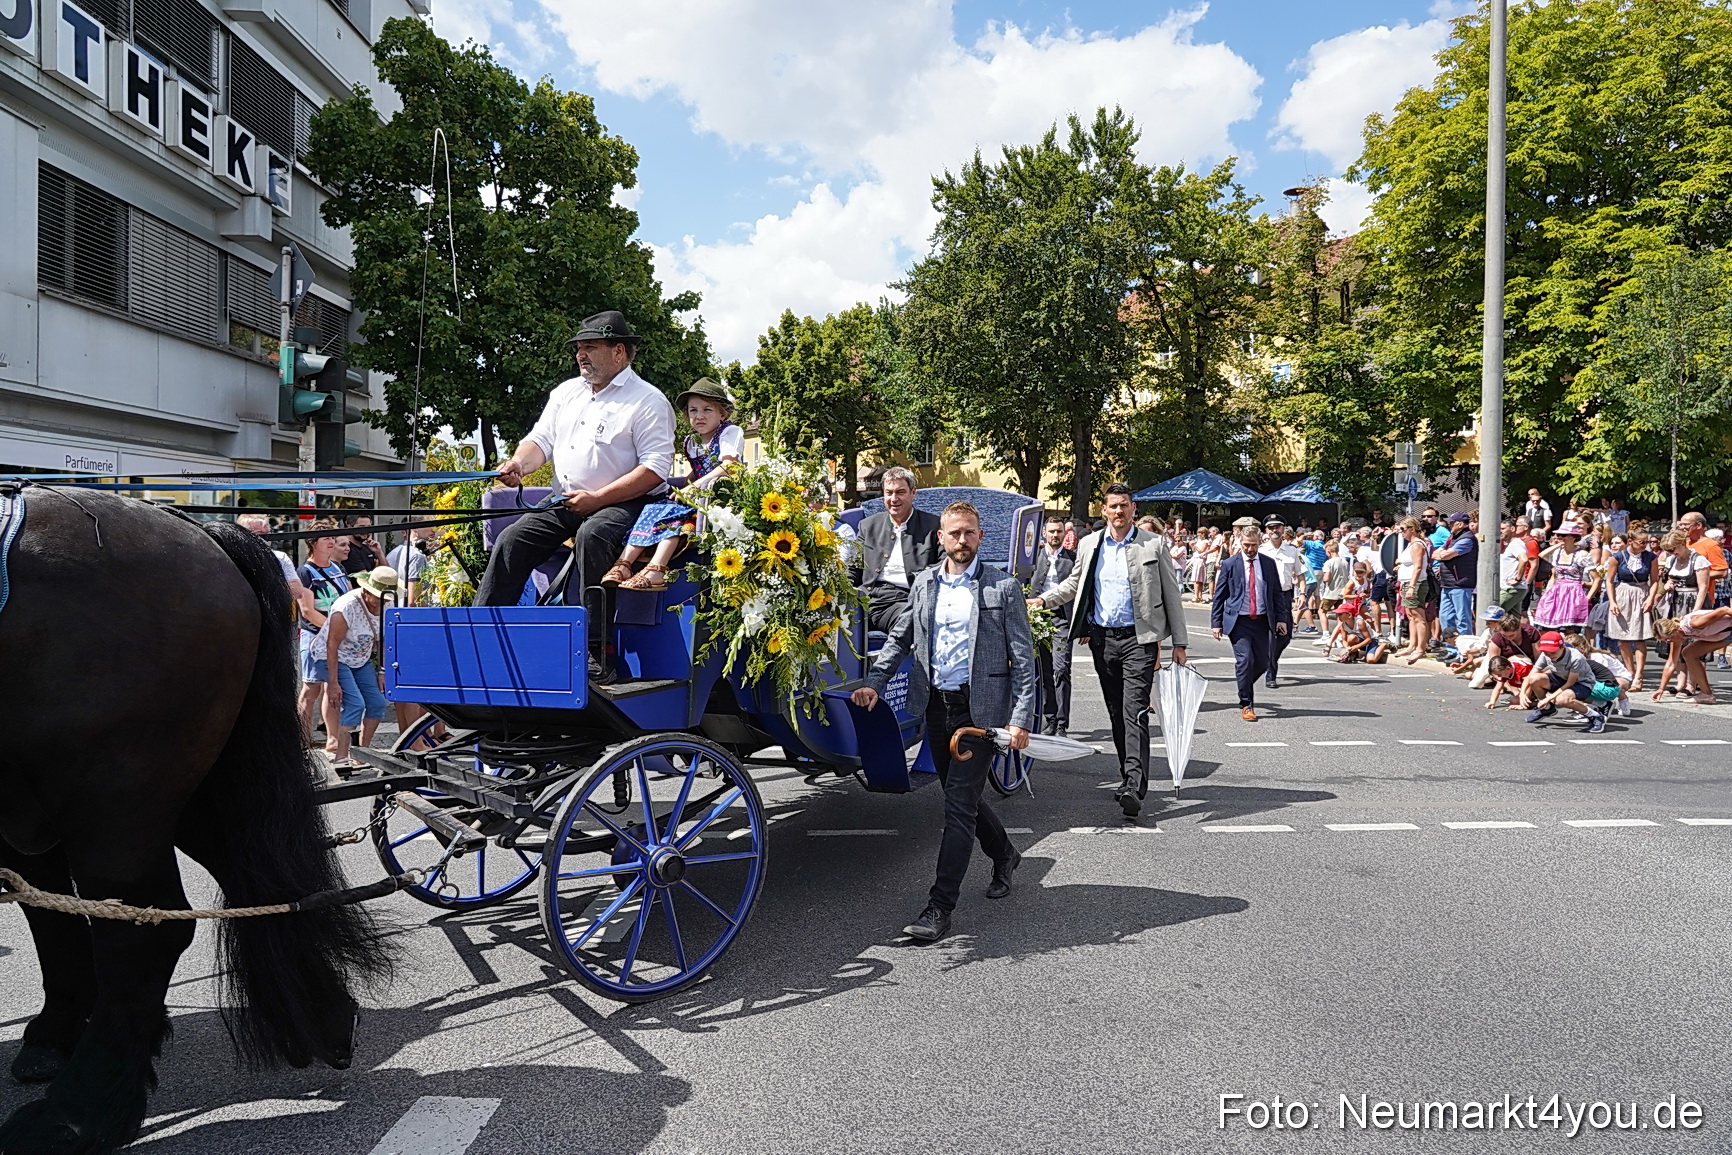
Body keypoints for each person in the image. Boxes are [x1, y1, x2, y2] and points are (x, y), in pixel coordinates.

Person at [852, 501, 1035, 942]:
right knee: (962, 796)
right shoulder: (925, 583)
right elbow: (901, 638)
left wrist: (1020, 719)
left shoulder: (1002, 587)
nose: (962, 541)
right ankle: (1005, 852)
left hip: (981, 711)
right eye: (954, 533)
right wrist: (875, 681)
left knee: (956, 806)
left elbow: (1024, 659)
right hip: (936, 705)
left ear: (980, 537)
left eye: (970, 533)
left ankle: (939, 906)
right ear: (941, 538)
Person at [477, 311, 677, 664]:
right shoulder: (566, 393)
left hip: (630, 501)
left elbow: (656, 469)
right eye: (579, 348)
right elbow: (540, 441)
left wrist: (598, 498)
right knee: (512, 539)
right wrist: (519, 465)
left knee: (594, 535)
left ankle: (594, 649)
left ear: (618, 352)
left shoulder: (648, 401)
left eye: (589, 347)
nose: (580, 355)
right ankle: (482, 636)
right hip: (570, 499)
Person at [1032, 484, 1189, 817]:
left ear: (1134, 509)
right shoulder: (1091, 544)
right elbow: (1074, 584)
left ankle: (1134, 784)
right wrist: (1044, 600)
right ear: (1104, 511)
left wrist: (1179, 642)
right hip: (1104, 640)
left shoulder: (1154, 544)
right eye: (1113, 506)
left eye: (1124, 506)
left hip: (1140, 640)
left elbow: (1172, 595)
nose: (1118, 512)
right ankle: (1126, 775)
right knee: (1117, 712)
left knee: (1134, 711)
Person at [602, 378, 745, 592]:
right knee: (655, 507)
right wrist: (684, 486)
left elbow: (729, 467)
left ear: (722, 414)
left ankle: (657, 569)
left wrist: (693, 488)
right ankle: (624, 564)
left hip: (721, 498)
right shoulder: (691, 442)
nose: (699, 416)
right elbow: (697, 471)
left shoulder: (729, 433)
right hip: (698, 495)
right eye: (693, 410)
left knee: (676, 514)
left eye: (707, 410)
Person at [313, 566, 398, 768]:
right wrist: (332, 683)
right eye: (377, 597)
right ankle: (341, 757)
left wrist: (382, 671)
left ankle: (362, 753)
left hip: (360, 658)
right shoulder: (346, 606)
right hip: (331, 656)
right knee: (355, 703)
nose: (381, 601)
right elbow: (331, 644)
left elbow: (383, 641)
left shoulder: (387, 604)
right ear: (366, 591)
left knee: (377, 703)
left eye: (384, 598)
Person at [1212, 525, 1290, 721]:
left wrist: (1281, 618)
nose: (1249, 549)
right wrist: (1216, 622)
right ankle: (1246, 703)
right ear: (1240, 543)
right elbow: (1219, 596)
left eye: (1253, 545)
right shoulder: (1230, 564)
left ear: (1260, 542)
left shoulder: (1268, 563)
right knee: (1245, 660)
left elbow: (1277, 593)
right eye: (1246, 545)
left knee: (1264, 662)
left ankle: (1243, 681)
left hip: (1263, 621)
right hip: (1239, 621)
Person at [856, 466, 942, 634]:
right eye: (889, 493)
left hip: (905, 600)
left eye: (900, 492)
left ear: (913, 493)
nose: (894, 498)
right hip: (866, 600)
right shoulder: (868, 526)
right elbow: (852, 568)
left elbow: (945, 564)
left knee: (910, 621)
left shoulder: (933, 526)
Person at [296, 522, 352, 743]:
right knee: (311, 688)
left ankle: (333, 739)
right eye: (326, 538)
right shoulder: (305, 572)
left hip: (336, 637)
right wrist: (334, 629)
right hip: (315, 636)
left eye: (332, 538)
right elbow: (307, 611)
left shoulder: (338, 568)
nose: (331, 542)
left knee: (333, 687)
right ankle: (302, 739)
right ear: (313, 543)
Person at [1026, 515, 1075, 735]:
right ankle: (1050, 719)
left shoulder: (1072, 560)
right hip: (1038, 618)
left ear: (1064, 534)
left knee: (1061, 669)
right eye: (1052, 531)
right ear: (1044, 533)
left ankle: (1062, 722)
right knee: (1045, 672)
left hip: (1063, 619)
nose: (1055, 535)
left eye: (1059, 531)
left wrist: (1085, 626)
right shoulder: (1032, 559)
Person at [1524, 630, 1609, 733]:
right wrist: (1522, 694)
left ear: (1562, 647)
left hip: (1582, 683)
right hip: (1561, 678)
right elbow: (1530, 676)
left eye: (1553, 652)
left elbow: (1570, 683)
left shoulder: (1575, 657)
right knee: (1535, 679)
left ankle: (1595, 716)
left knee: (1562, 699)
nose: (1550, 655)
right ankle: (1547, 709)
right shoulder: (1545, 655)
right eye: (1546, 652)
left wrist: (1548, 698)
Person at [238, 512, 312, 624]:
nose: (266, 539)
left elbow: (297, 591)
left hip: (274, 622)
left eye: (268, 533)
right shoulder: (234, 558)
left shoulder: (280, 558)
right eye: (260, 534)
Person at [1605, 531, 1655, 690]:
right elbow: (1609, 580)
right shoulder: (1618, 557)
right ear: (1631, 541)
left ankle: (1639, 675)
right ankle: (1630, 672)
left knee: (1640, 637)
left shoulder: (1650, 557)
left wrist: (1650, 598)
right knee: (1623, 638)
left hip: (1641, 593)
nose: (1645, 545)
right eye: (1641, 542)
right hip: (1622, 594)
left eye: (1646, 542)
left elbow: (1654, 581)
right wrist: (1612, 601)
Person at [1654, 608, 1732, 704]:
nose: (1668, 642)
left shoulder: (1695, 623)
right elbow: (1671, 664)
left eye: (1668, 639)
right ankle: (1707, 695)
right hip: (1723, 635)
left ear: (1674, 630)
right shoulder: (1678, 635)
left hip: (1728, 630)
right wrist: (1661, 688)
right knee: (1689, 653)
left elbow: (1724, 610)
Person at [1259, 519, 1303, 687]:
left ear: (1283, 529)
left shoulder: (1292, 550)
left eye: (1277, 527)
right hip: (1266, 596)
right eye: (1271, 527)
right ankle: (1271, 673)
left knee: (1286, 635)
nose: (1274, 530)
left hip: (1284, 595)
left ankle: (1270, 658)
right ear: (1266, 530)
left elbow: (1300, 574)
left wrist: (1303, 593)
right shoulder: (1262, 550)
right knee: (1270, 634)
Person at [1530, 518, 1593, 631]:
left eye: (1565, 535)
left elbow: (1597, 579)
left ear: (1574, 537)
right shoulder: (1558, 553)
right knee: (1544, 627)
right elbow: (1542, 554)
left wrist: (1587, 598)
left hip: (1573, 591)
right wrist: (1559, 545)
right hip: (1557, 591)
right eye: (1560, 535)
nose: (1561, 537)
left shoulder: (1581, 554)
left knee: (1569, 630)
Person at [1391, 517, 1433, 664]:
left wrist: (1412, 586)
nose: (1401, 532)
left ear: (1412, 529)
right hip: (1406, 583)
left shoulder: (1417, 545)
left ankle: (1420, 648)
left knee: (1418, 616)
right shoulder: (1411, 545)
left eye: (1403, 529)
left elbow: (1418, 567)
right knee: (1410, 615)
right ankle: (1412, 645)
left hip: (1415, 583)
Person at [1434, 512, 1478, 641]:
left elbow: (1444, 556)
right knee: (1445, 617)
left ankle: (1465, 651)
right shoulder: (1452, 538)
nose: (1449, 525)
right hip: (1447, 583)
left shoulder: (1466, 539)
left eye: (1452, 523)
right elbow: (1436, 553)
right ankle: (1452, 649)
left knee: (1462, 619)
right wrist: (1443, 554)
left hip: (1461, 584)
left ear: (1460, 524)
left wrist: (1443, 554)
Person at [386, 525, 434, 607]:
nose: (433, 529)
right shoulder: (417, 556)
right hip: (415, 616)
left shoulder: (393, 553)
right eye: (429, 525)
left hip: (395, 611)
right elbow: (415, 600)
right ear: (415, 528)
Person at [1498, 519, 1534, 618]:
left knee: (1493, 614)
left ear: (1512, 529)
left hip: (1512, 589)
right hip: (1512, 588)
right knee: (1514, 620)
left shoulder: (1516, 543)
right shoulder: (1510, 544)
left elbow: (1524, 559)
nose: (1500, 531)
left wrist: (1517, 579)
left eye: (1503, 528)